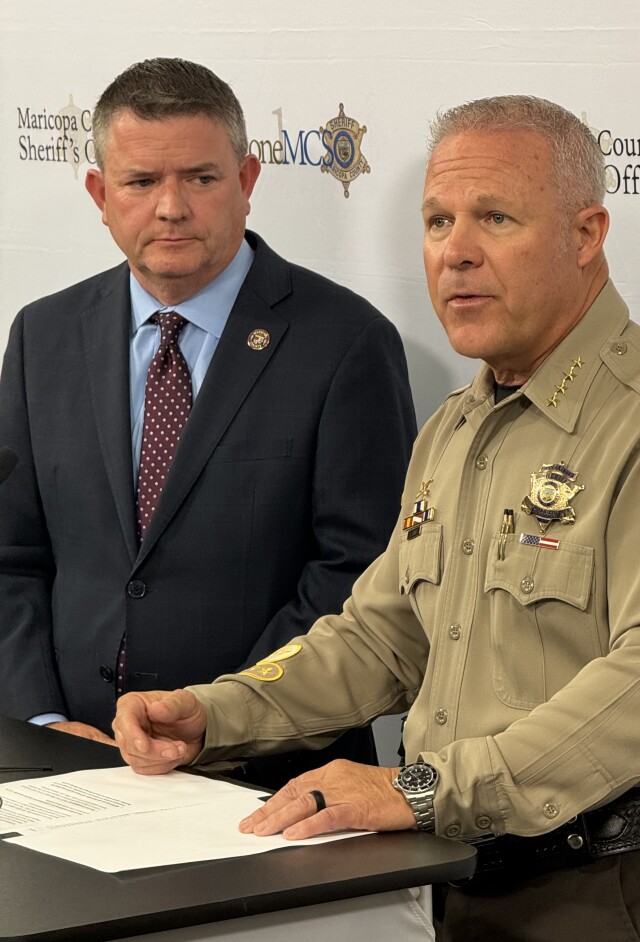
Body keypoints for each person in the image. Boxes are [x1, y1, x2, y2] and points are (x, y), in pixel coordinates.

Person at [114, 95, 640, 942]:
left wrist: (420, 791)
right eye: (434, 223)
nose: (455, 256)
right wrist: (215, 713)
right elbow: (380, 633)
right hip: (463, 889)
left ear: (585, 233)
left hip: (611, 905)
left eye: (495, 219)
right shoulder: (461, 427)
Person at [0, 58, 415, 782]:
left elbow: (363, 576)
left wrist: (222, 716)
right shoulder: (44, 334)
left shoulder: (346, 342)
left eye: (200, 178)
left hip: (271, 779)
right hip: (70, 770)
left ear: (247, 182)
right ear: (100, 194)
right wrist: (41, 722)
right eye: (140, 182)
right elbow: (11, 560)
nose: (171, 207)